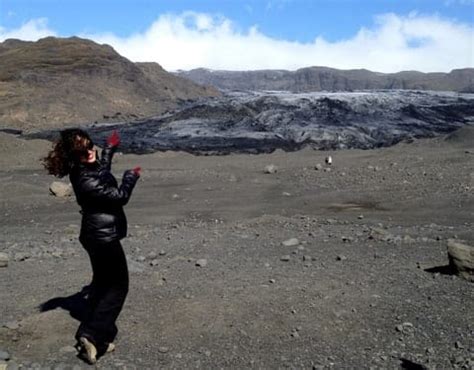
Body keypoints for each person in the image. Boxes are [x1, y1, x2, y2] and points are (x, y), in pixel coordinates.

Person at [43, 128, 140, 364]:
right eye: (83, 149)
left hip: (96, 235)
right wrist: (130, 178)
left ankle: (99, 339)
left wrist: (109, 148)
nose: (90, 151)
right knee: (118, 287)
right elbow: (118, 196)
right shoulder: (84, 178)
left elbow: (101, 168)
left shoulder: (85, 168)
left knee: (101, 284)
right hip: (102, 237)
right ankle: (91, 334)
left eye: (90, 145)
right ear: (73, 156)